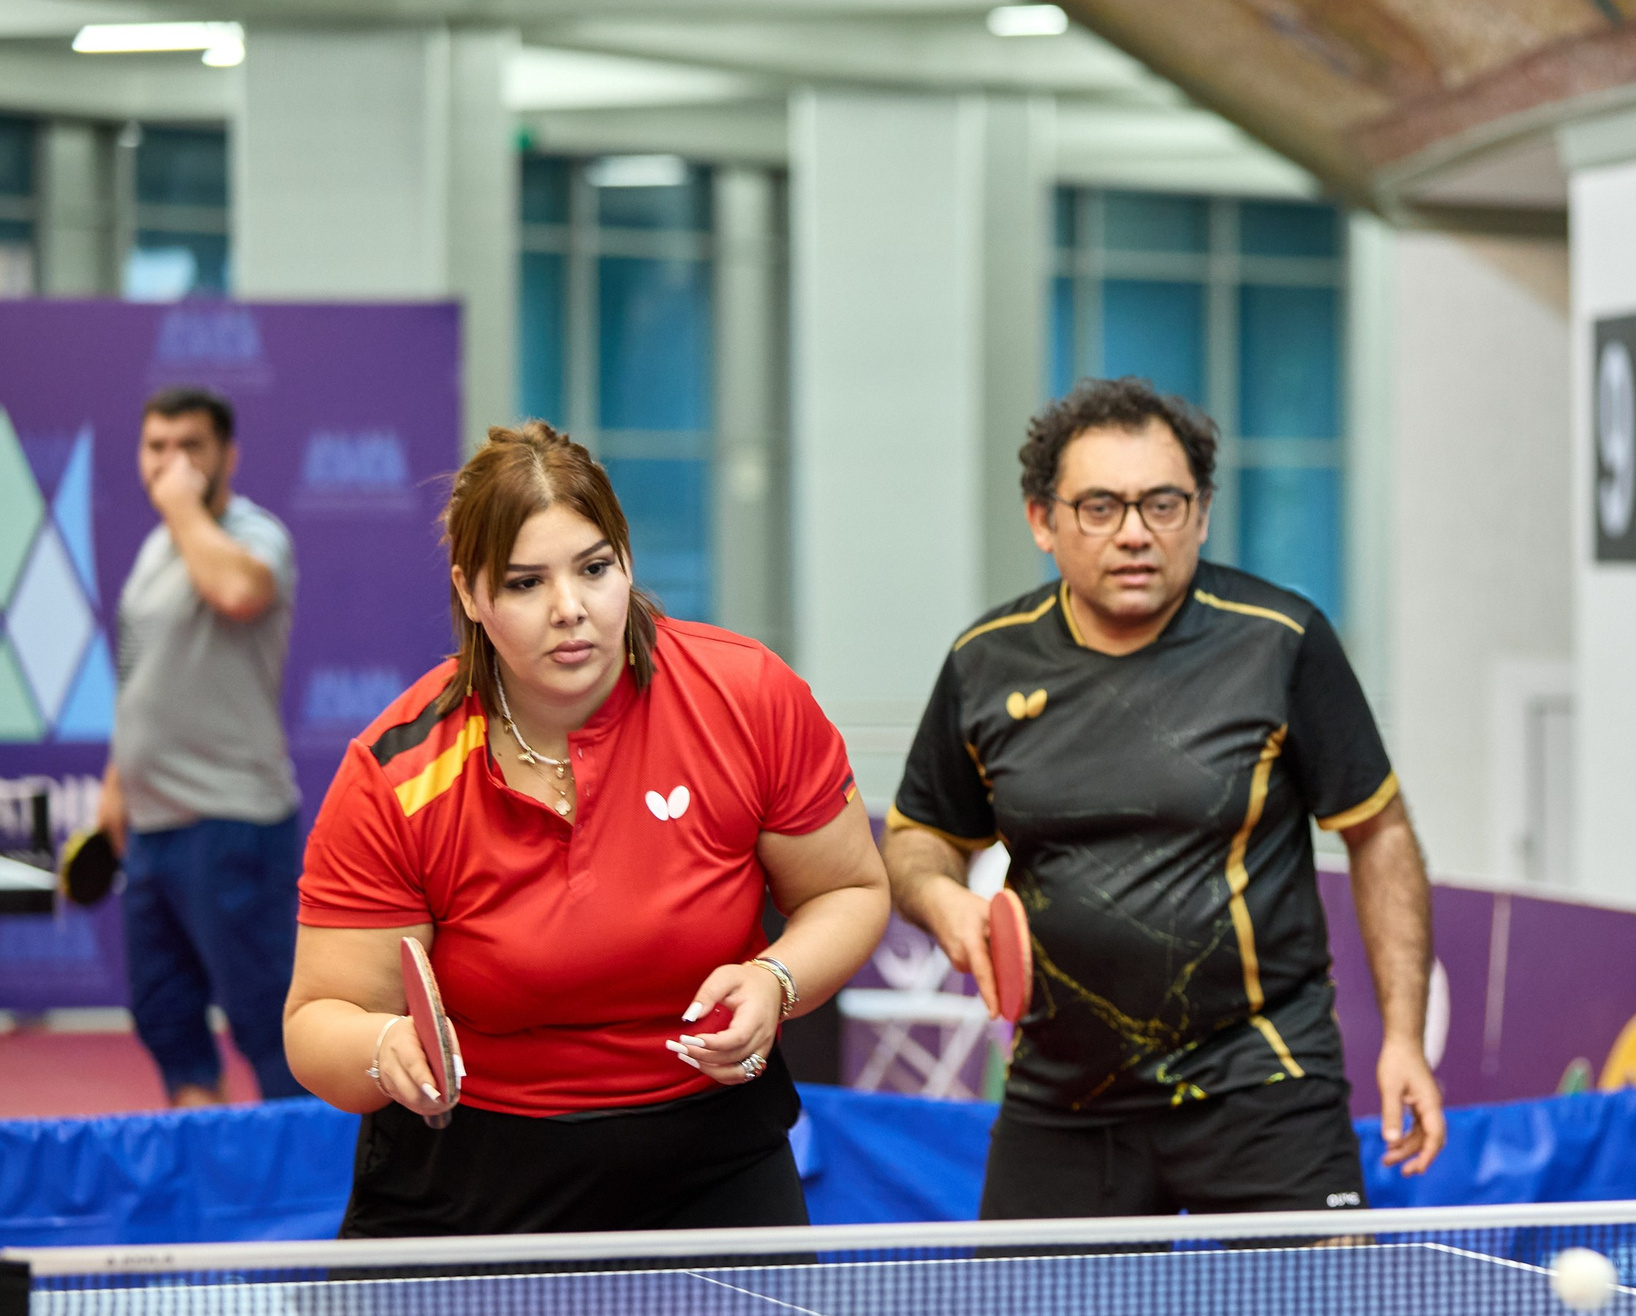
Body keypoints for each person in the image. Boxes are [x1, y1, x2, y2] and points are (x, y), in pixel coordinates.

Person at [283, 423, 891, 1236]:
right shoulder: (397, 772)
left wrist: (777, 980)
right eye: (527, 583)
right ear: (470, 594)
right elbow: (318, 1018)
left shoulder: (748, 699)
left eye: (594, 569)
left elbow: (849, 888)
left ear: (627, 562)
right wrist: (382, 1048)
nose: (571, 610)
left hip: (710, 1160)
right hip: (471, 1170)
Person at [885, 377, 1444, 1217]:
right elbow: (918, 836)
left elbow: (1381, 833)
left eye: (1163, 504)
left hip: (1264, 1084)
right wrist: (939, 901)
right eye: (1101, 507)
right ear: (1044, 521)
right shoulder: (986, 662)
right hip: (1065, 1093)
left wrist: (1403, 1035)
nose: (1136, 534)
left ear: (1204, 512)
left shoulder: (1280, 642)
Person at [100, 385, 301, 1104]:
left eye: (191, 447)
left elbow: (239, 593)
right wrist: (116, 786)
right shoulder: (157, 547)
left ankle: (306, 1205)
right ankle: (205, 1198)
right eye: (156, 447)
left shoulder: (254, 533)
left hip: (233, 824)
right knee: (166, 1021)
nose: (171, 463)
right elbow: (138, 673)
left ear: (227, 457)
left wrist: (183, 504)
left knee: (269, 1026)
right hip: (152, 833)